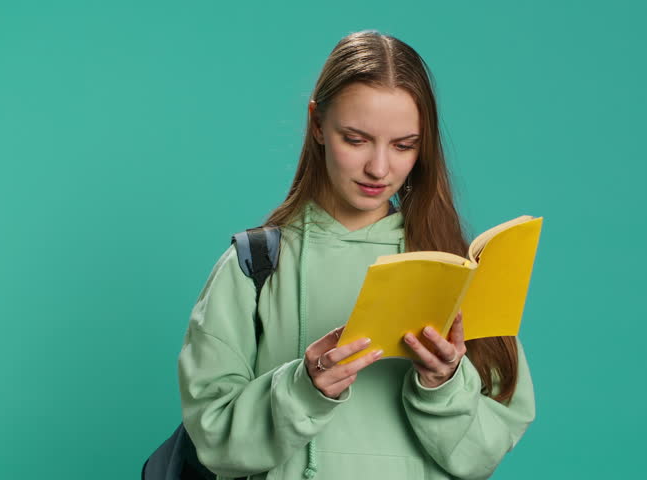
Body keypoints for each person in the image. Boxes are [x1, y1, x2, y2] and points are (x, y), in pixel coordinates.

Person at [178, 29, 535, 480]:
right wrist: (305, 388)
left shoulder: (455, 271)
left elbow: (485, 451)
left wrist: (442, 384)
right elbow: (213, 437)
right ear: (317, 125)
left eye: (404, 145)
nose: (379, 168)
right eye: (356, 139)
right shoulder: (256, 265)